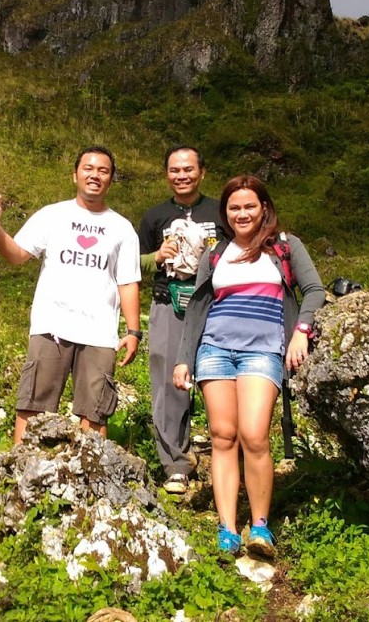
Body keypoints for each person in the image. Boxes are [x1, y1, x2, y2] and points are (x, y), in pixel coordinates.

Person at [173, 175, 324, 558]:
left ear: (264, 208)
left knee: (255, 435)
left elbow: (315, 291)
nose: (242, 213)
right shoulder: (215, 254)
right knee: (223, 436)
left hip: (264, 350)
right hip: (214, 349)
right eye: (234, 208)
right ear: (225, 213)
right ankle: (227, 528)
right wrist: (183, 358)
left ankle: (259, 526)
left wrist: (301, 331)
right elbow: (199, 308)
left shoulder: (285, 247)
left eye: (249, 206)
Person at [0, 146, 142, 444]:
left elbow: (128, 281)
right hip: (50, 325)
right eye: (88, 168)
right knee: (34, 404)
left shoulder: (122, 228)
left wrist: (133, 330)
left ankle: (89, 480)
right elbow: (16, 255)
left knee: (94, 411)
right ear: (75, 174)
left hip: (99, 332)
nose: (95, 175)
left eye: (103, 170)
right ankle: (19, 475)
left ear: (111, 179)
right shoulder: (52, 215)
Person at [137, 146, 223, 494]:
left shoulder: (221, 210)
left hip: (217, 303)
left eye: (188, 169)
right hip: (167, 302)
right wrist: (156, 256)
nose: (182, 175)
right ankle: (175, 463)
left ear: (202, 171)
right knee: (168, 384)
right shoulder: (154, 216)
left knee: (222, 378)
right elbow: (134, 265)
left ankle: (228, 459)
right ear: (166, 174)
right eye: (174, 170)